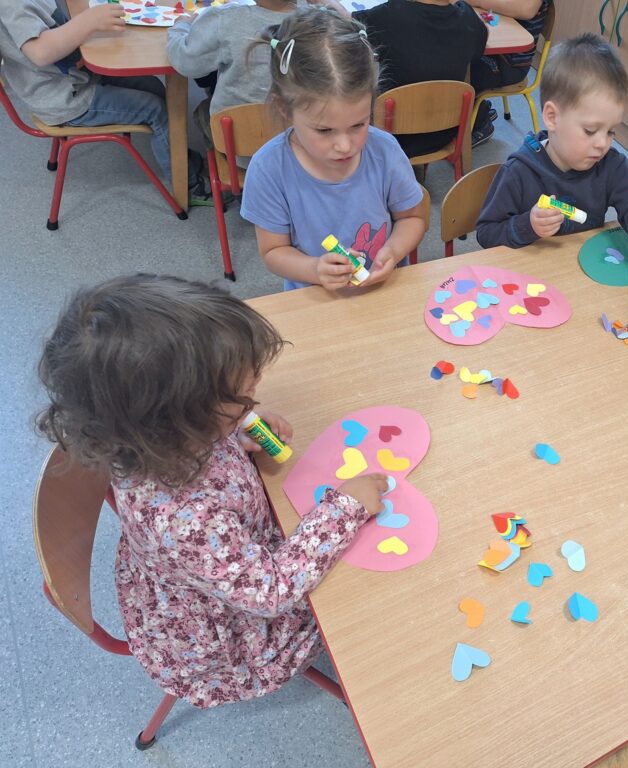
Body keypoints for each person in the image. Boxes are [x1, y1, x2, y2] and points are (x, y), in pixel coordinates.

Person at [37, 274, 387, 708]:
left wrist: (233, 432)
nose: (254, 399)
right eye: (243, 397)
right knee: (364, 600)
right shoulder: (185, 520)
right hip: (228, 638)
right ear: (181, 422)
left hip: (220, 562)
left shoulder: (147, 437)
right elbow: (271, 592)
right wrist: (345, 510)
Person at [475, 32, 628, 328]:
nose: (603, 144)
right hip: (531, 296)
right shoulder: (519, 172)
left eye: (611, 131)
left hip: (586, 294)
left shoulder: (611, 165)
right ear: (552, 117)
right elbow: (487, 233)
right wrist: (527, 225)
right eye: (590, 131)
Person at [240, 6, 426, 292]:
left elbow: (412, 217)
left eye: (359, 124)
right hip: (314, 297)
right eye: (324, 130)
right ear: (283, 107)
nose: (345, 145)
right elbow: (273, 251)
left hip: (383, 292)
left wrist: (394, 250)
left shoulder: (384, 150)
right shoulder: (269, 169)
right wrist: (314, 269)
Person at [0, 1, 207, 203]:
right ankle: (188, 185)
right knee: (156, 109)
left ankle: (179, 157)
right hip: (65, 99)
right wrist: (88, 21)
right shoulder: (13, 5)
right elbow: (40, 53)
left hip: (77, 77)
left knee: (153, 87)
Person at [347, 0, 487, 158]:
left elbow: (349, 24)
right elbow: (479, 47)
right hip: (445, 133)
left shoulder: (389, 15)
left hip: (392, 137)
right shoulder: (467, 17)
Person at [166, 0, 300, 157]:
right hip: (300, 149)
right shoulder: (318, 22)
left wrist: (181, 26)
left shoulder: (226, 18)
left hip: (237, 150)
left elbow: (185, 61)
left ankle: (216, 164)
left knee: (203, 111)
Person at [466, 0, 551, 146]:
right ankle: (479, 108)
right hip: (493, 45)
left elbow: (527, 10)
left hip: (510, 63)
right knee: (453, 56)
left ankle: (480, 123)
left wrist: (479, 2)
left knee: (460, 71)